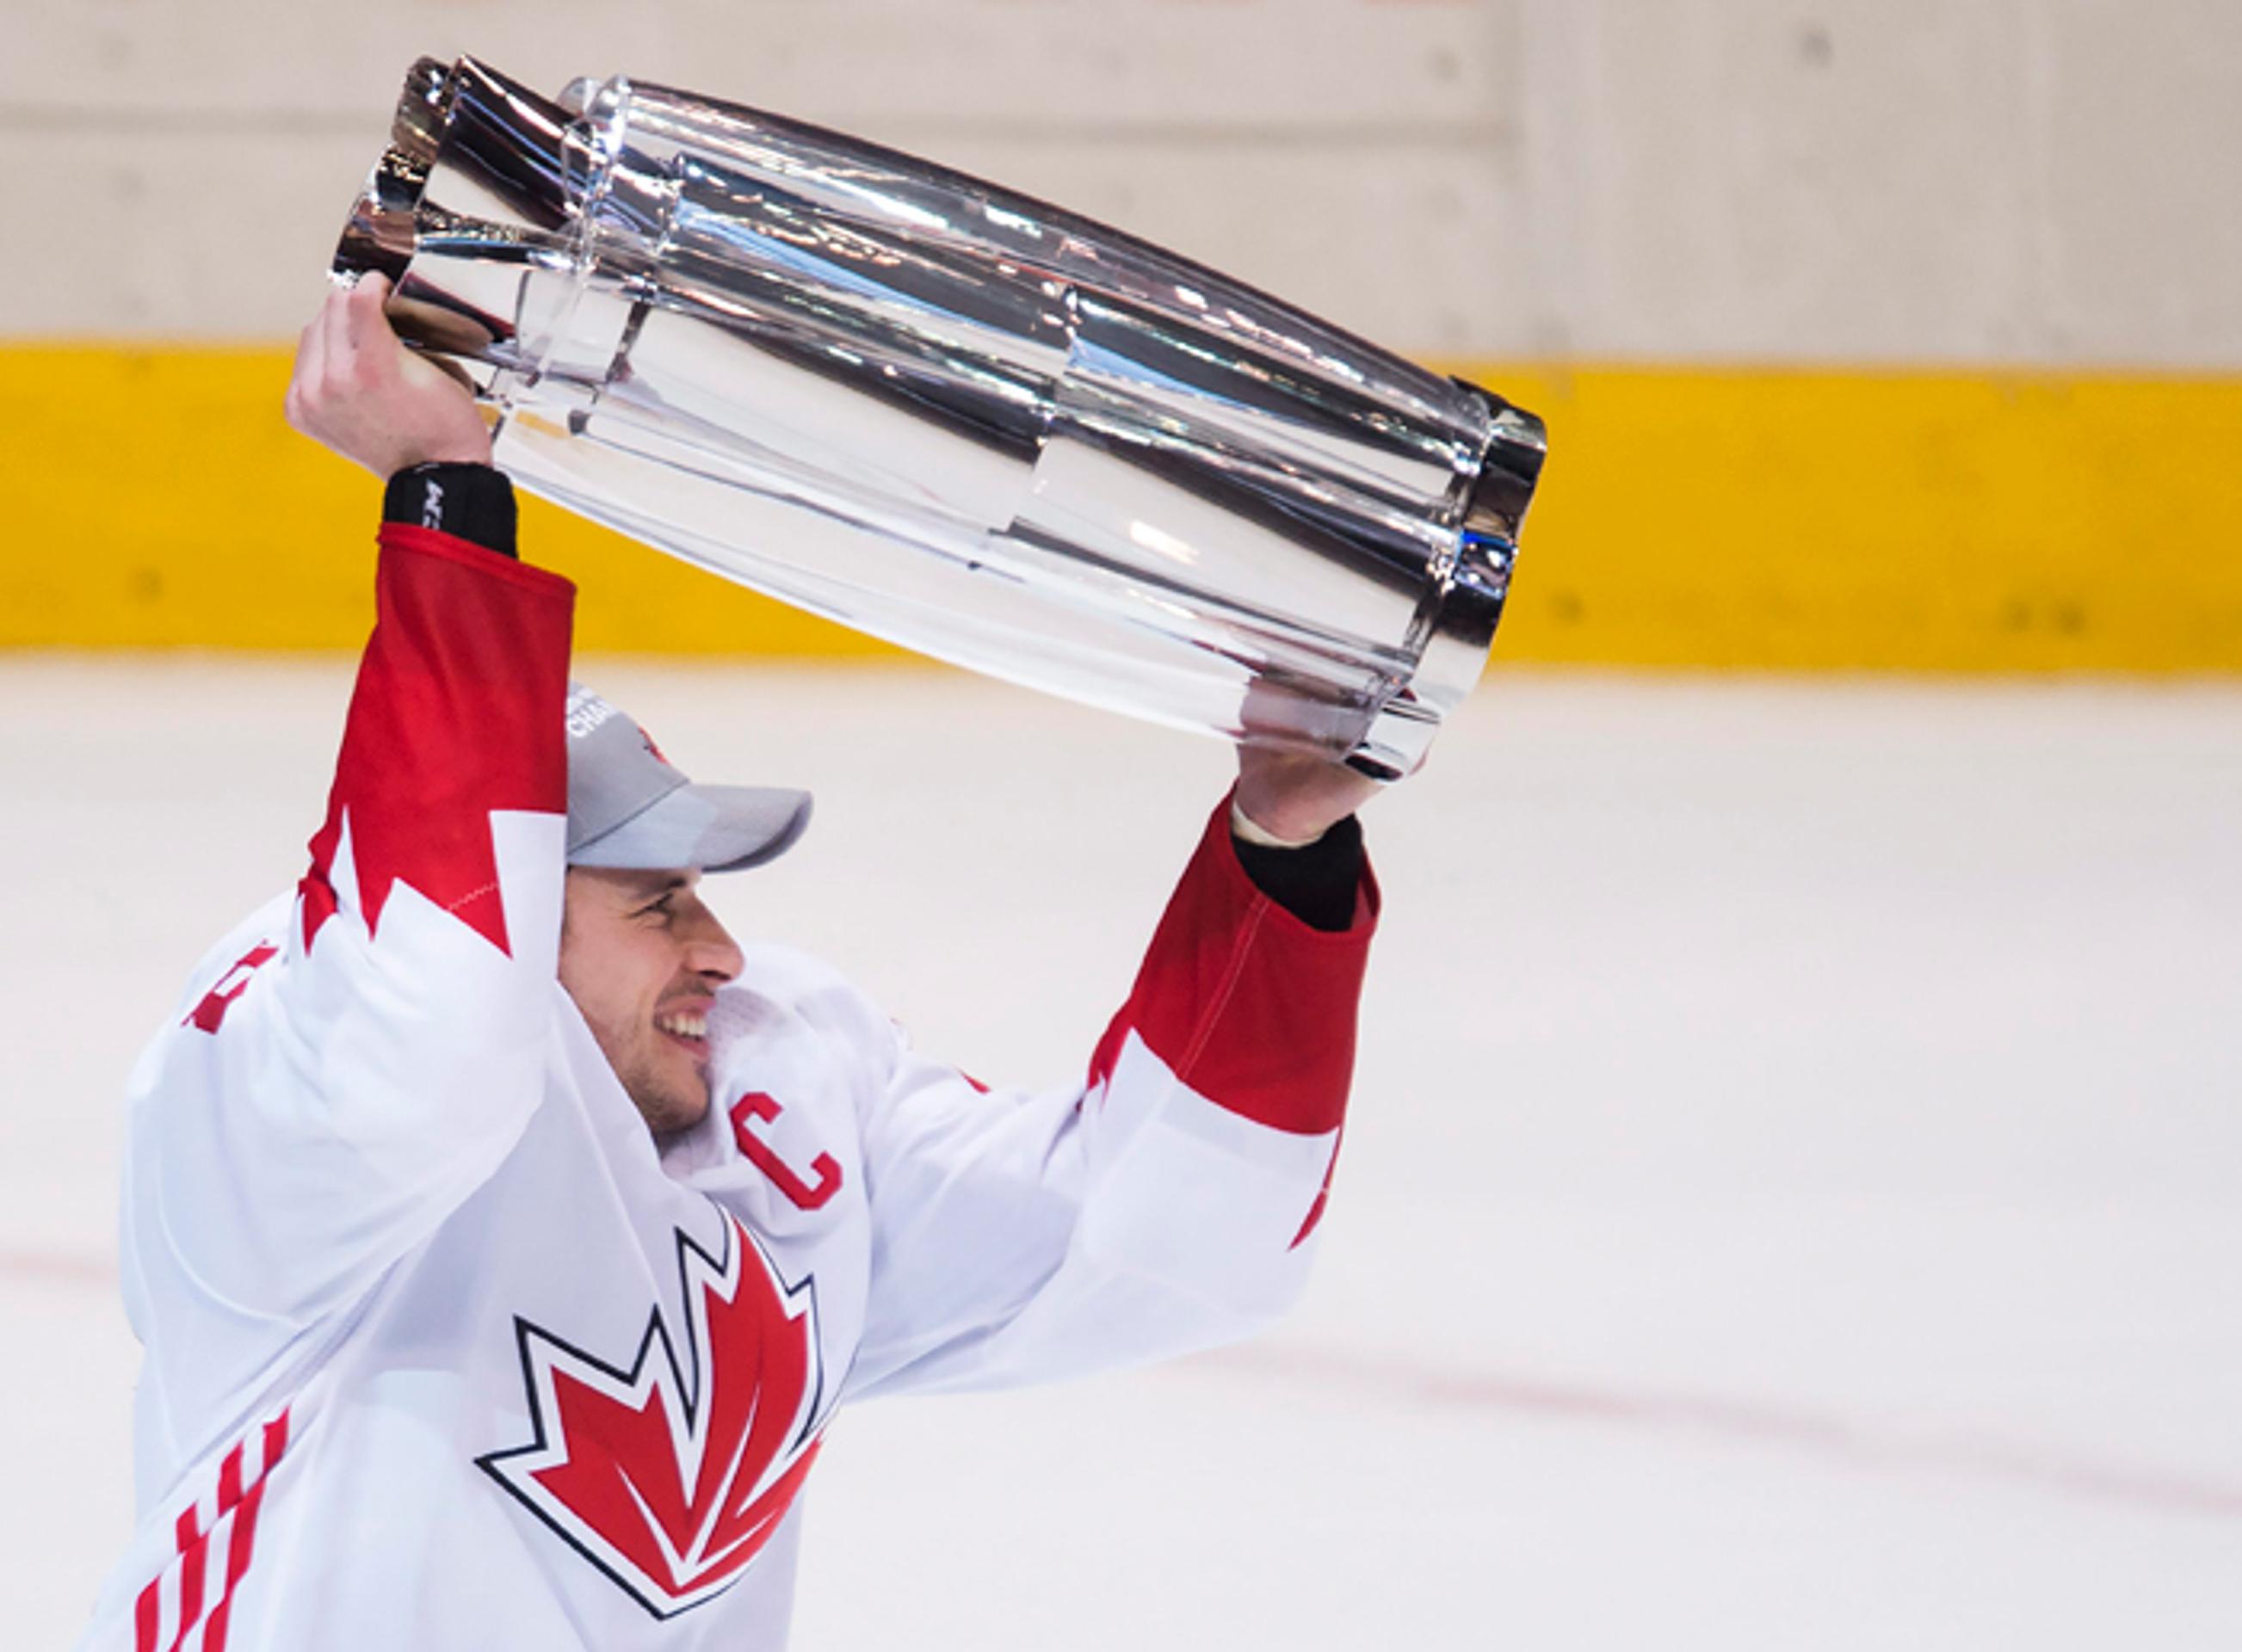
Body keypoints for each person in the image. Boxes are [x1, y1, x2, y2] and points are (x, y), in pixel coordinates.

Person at [76, 276, 1383, 1650]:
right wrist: (444, 495)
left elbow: (1169, 1242)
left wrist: (1280, 846)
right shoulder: (275, 1070)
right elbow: (431, 1014)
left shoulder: (780, 1083)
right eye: (657, 905)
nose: (721, 950)